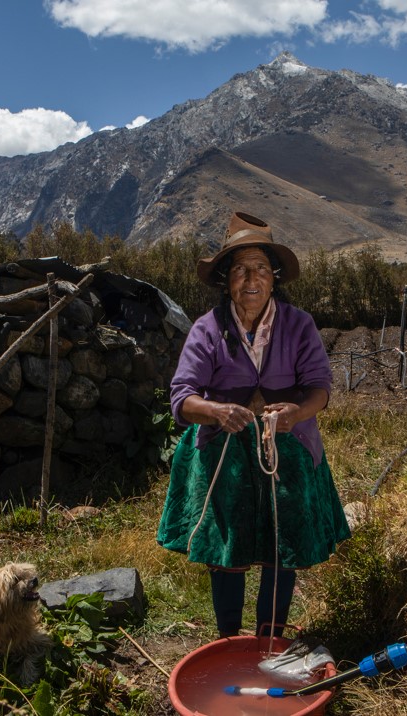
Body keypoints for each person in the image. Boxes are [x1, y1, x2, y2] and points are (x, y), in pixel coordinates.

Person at [157, 211, 351, 639]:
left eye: (261, 269)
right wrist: (216, 412)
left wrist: (294, 415)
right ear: (226, 278)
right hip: (224, 455)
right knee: (228, 550)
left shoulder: (298, 325)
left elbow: (320, 388)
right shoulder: (207, 330)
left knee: (282, 548)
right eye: (241, 269)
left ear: (274, 277)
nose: (251, 279)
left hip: (287, 449)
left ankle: (269, 639)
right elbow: (182, 396)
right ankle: (229, 642)